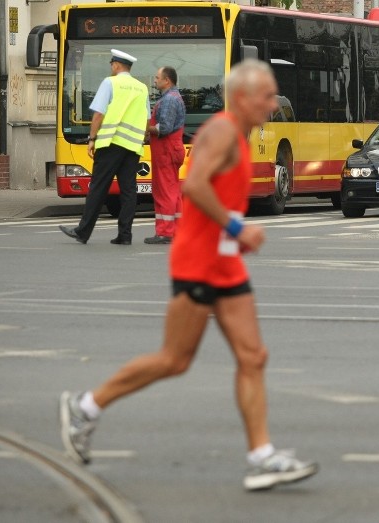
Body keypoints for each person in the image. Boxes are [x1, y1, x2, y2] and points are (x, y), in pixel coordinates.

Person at [58, 60, 319, 491]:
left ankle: (262, 456)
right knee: (174, 360)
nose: (273, 104)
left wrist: (233, 237)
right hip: (199, 261)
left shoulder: (238, 133)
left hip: (224, 261)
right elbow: (194, 185)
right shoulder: (220, 131)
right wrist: (237, 227)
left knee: (253, 357)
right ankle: (85, 407)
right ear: (240, 97)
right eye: (266, 95)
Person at [59, 49, 150, 245]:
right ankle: (125, 235)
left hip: (110, 144)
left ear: (116, 65)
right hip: (133, 146)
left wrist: (92, 139)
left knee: (98, 188)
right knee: (128, 191)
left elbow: (98, 114)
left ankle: (83, 232)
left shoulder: (110, 82)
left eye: (111, 64)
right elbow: (147, 120)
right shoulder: (142, 88)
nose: (111, 67)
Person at [145, 66, 186, 245]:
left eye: (157, 78)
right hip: (171, 150)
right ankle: (176, 229)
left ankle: (165, 232)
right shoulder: (174, 98)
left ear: (167, 80)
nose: (155, 81)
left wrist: (146, 129)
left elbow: (165, 128)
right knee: (173, 191)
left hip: (166, 151)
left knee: (164, 192)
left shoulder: (169, 100)